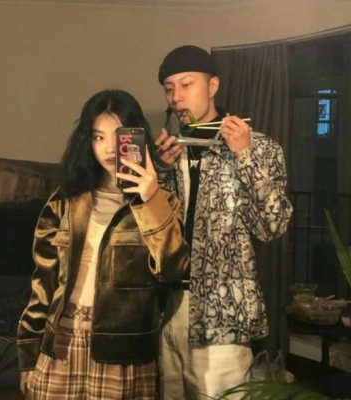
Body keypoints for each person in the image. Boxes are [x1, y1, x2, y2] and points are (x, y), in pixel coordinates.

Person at [16, 89, 190, 400]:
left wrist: (150, 198)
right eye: (98, 137)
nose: (109, 148)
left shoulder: (161, 202)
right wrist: (29, 350)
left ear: (136, 138)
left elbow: (172, 269)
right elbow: (43, 282)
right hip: (62, 344)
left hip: (125, 354)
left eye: (119, 136)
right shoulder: (65, 202)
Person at [154, 45, 293, 399]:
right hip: (167, 307)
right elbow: (157, 228)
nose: (176, 97)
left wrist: (244, 156)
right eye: (169, 88)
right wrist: (161, 172)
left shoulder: (259, 147)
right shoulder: (172, 150)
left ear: (213, 86)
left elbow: (273, 226)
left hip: (223, 315)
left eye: (186, 84)